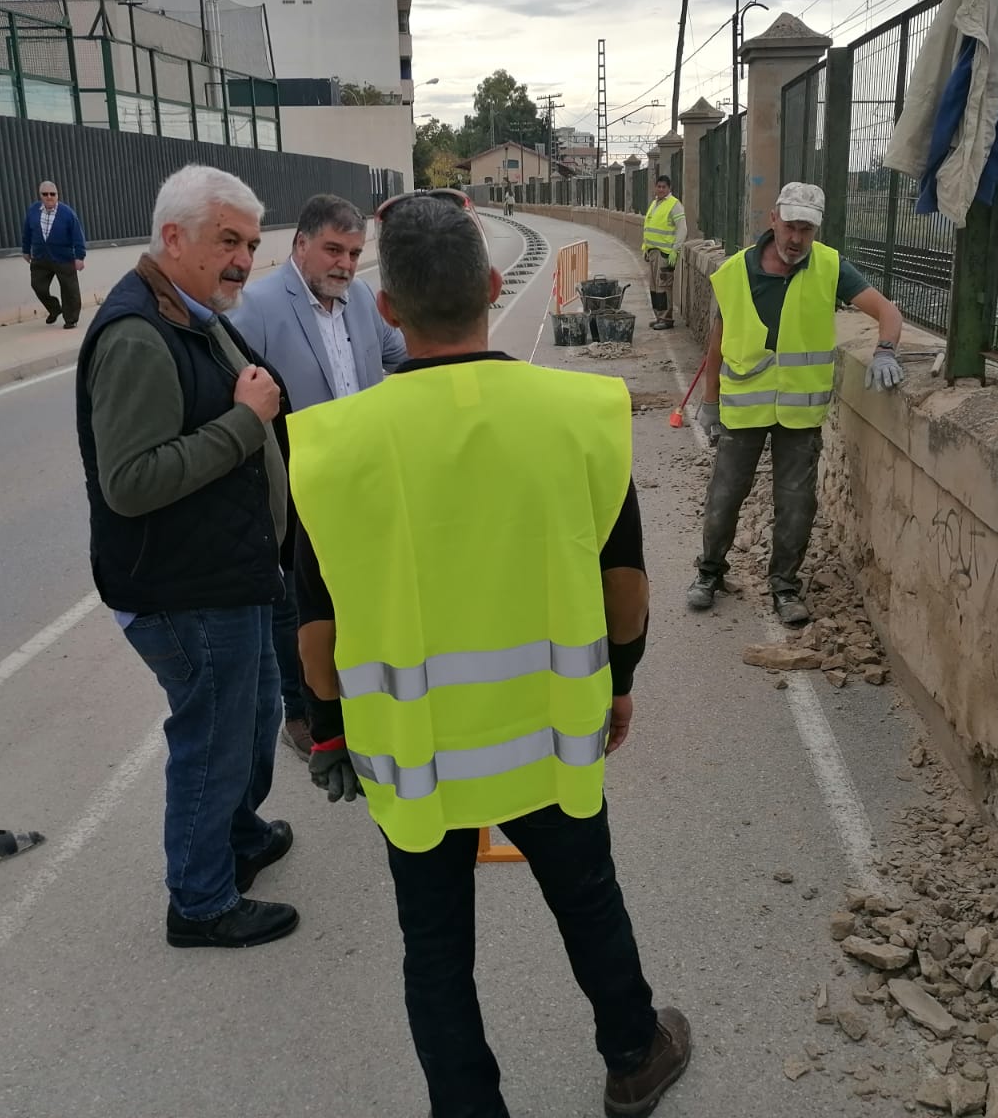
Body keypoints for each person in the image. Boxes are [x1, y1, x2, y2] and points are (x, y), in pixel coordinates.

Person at [287, 195, 691, 1118]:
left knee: (434, 947)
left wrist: (332, 735)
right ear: (485, 286)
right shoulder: (580, 413)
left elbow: (317, 634)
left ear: (387, 310)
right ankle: (633, 1053)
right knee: (587, 896)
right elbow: (624, 588)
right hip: (548, 733)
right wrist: (618, 685)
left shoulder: (337, 445)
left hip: (414, 752)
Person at [75, 164, 299, 950]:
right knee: (212, 736)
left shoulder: (196, 313)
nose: (243, 259)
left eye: (250, 243)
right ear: (173, 238)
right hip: (186, 589)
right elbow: (130, 482)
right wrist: (246, 424)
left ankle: (236, 835)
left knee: (256, 714)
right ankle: (200, 903)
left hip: (232, 573)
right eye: (226, 241)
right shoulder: (140, 335)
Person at [233, 193, 407, 762]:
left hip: (364, 481)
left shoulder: (360, 299)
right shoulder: (256, 308)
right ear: (300, 245)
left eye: (355, 253)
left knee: (359, 595)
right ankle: (301, 712)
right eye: (334, 249)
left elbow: (399, 354)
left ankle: (355, 696)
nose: (346, 264)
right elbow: (236, 402)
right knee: (298, 607)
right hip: (296, 487)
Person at [687, 181, 905, 627]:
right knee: (725, 496)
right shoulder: (733, 272)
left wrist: (885, 349)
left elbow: (888, 311)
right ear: (773, 220)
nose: (795, 239)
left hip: (799, 416)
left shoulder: (829, 267)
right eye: (790, 227)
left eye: (806, 230)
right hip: (744, 409)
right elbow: (718, 342)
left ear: (816, 230)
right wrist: (710, 402)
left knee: (796, 503)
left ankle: (785, 586)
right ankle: (709, 573)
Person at [21, 179, 87, 329]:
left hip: (63, 258)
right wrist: (26, 250)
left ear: (57, 195)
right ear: (40, 196)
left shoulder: (67, 213)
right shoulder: (33, 211)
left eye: (52, 194)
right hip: (40, 258)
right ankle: (54, 308)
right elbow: (27, 233)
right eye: (45, 194)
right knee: (38, 286)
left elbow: (77, 235)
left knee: (69, 289)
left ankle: (70, 319)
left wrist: (79, 256)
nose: (49, 197)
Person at [640, 175, 687, 331]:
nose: (660, 189)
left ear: (669, 188)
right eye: (658, 186)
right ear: (655, 187)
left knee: (664, 286)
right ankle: (659, 316)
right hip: (653, 252)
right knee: (654, 287)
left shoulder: (674, 205)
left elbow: (682, 229)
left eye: (664, 187)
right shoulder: (655, 204)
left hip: (666, 253)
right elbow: (648, 227)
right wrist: (645, 248)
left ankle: (667, 318)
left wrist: (675, 250)